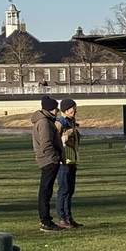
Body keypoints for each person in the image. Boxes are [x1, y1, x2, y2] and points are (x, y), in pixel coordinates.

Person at [31, 95, 64, 232]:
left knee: (46, 190)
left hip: (47, 159)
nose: (57, 110)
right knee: (45, 191)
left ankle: (46, 220)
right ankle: (45, 221)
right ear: (50, 109)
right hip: (48, 160)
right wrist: (54, 158)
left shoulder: (43, 121)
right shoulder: (44, 122)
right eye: (55, 108)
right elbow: (46, 144)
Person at [55, 98, 82, 229]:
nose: (75, 110)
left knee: (70, 190)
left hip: (72, 161)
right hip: (63, 162)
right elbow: (54, 141)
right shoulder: (60, 123)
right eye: (73, 108)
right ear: (66, 109)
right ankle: (62, 218)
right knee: (63, 191)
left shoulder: (72, 123)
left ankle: (69, 217)